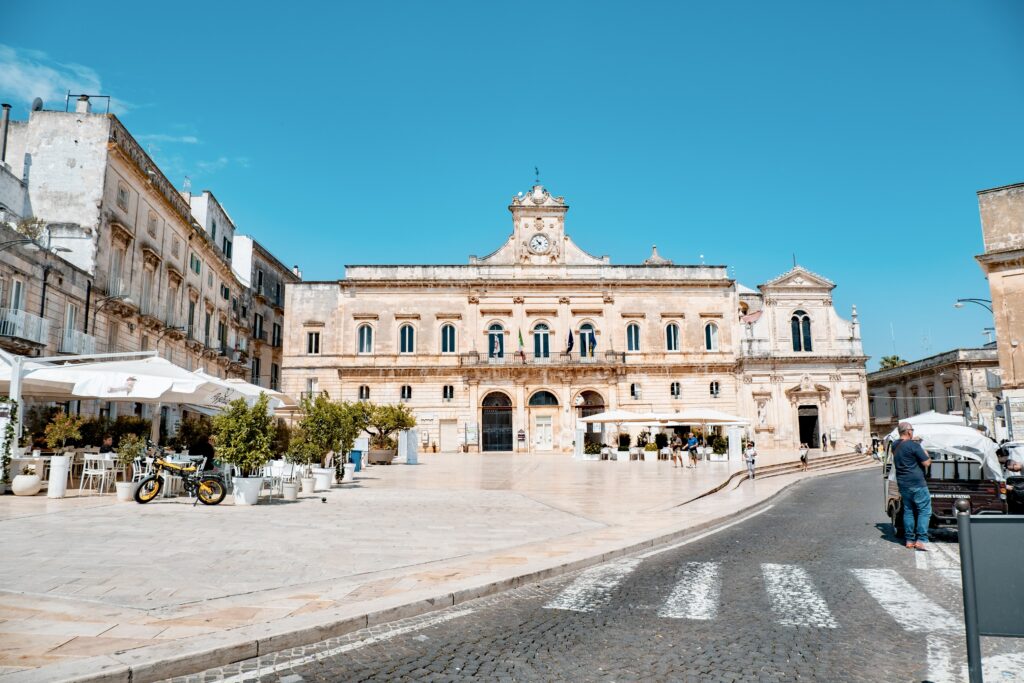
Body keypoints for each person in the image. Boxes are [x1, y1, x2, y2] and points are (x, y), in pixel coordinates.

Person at [892, 421, 932, 551]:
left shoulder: (894, 445)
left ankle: (909, 539)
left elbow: (905, 449)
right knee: (924, 510)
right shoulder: (914, 446)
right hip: (917, 482)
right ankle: (921, 539)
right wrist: (921, 447)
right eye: (912, 431)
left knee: (908, 510)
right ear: (909, 432)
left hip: (903, 483)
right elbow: (926, 463)